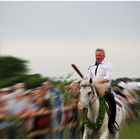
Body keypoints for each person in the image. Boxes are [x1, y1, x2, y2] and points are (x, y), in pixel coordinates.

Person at [87, 48, 117, 134]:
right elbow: (88, 76)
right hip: (93, 89)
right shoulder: (91, 66)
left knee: (113, 103)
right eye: (96, 55)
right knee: (85, 102)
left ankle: (111, 125)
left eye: (99, 55)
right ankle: (85, 125)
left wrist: (97, 82)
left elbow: (108, 78)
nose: (98, 57)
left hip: (104, 89)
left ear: (104, 56)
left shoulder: (108, 65)